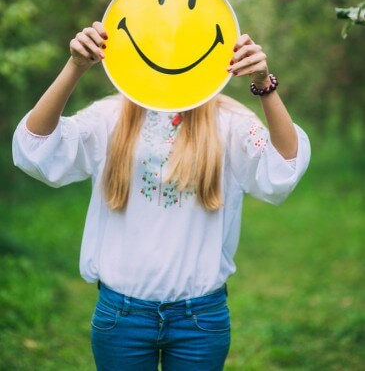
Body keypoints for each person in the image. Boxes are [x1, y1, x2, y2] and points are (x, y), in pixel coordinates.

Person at [12, 20, 310, 371]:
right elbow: (36, 148)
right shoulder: (111, 115)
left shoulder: (228, 121)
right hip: (121, 316)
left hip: (200, 318)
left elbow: (283, 168)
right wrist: (75, 65)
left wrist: (264, 85)